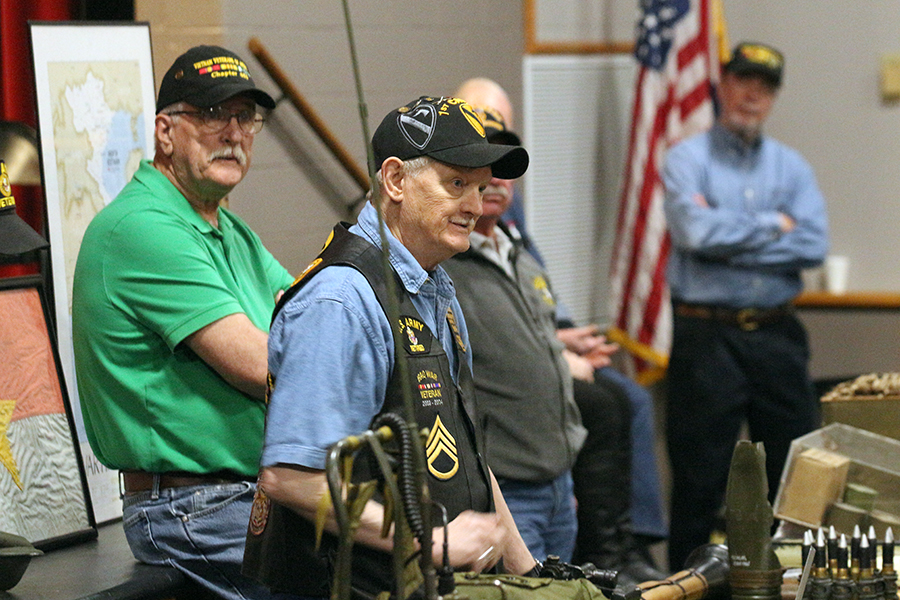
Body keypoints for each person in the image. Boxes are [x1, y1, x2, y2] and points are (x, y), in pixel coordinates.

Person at [242, 96, 537, 599]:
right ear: (396, 180)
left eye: (481, 187)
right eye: (457, 184)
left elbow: (463, 448)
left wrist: (528, 572)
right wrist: (433, 542)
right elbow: (291, 478)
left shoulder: (436, 288)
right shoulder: (342, 301)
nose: (474, 204)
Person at [72, 45, 293, 600]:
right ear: (165, 133)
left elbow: (316, 320)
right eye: (214, 115)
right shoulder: (142, 227)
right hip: (187, 507)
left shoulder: (232, 232)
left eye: (246, 118)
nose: (234, 133)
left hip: (248, 494)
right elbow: (260, 364)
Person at [443, 108, 665, 584]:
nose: (496, 181)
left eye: (503, 169)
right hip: (508, 486)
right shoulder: (446, 266)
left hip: (557, 486)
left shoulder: (521, 257)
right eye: (480, 173)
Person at [662, 42, 829, 570]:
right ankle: (686, 584)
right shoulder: (686, 159)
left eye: (765, 86)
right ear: (722, 85)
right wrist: (770, 226)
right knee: (699, 479)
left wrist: (726, 231)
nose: (752, 95)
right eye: (743, 81)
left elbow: (812, 244)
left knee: (792, 476)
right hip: (707, 339)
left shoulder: (792, 167)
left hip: (779, 337)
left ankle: (789, 579)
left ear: (774, 97)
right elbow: (693, 232)